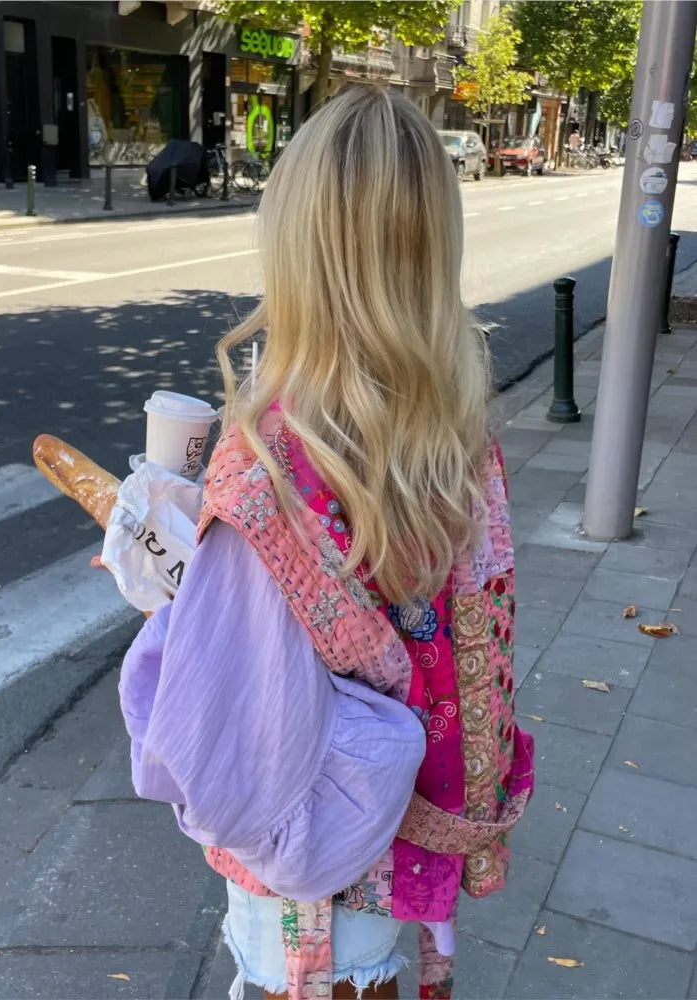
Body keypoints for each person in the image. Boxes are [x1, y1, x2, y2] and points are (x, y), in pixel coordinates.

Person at [116, 85, 534, 1000]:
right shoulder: (458, 433)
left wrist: (162, 594)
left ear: (295, 245)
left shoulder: (274, 456)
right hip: (413, 838)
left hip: (307, 864)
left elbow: (214, 712)